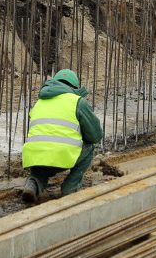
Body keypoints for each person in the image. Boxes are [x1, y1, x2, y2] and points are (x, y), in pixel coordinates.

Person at [21, 69, 103, 204]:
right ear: (74, 87)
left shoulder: (40, 102)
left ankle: (33, 184)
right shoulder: (77, 101)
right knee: (89, 147)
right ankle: (70, 188)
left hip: (35, 155)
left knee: (40, 170)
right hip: (62, 155)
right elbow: (95, 135)